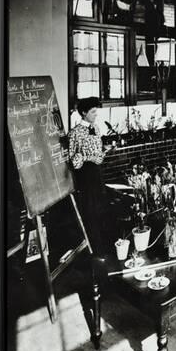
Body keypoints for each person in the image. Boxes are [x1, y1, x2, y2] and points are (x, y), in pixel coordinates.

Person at [69, 97, 114, 251]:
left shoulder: (96, 128)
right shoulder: (74, 133)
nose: (96, 114)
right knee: (90, 211)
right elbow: (73, 161)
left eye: (96, 111)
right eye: (93, 111)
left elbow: (98, 152)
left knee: (102, 207)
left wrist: (103, 152)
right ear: (83, 112)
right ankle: (94, 247)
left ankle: (105, 246)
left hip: (97, 174)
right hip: (85, 176)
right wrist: (88, 157)